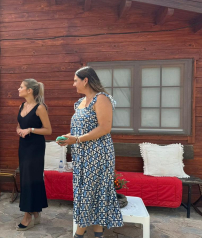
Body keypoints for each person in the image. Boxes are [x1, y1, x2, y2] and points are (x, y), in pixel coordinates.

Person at [57, 66, 123, 238]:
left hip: (98, 153)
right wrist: (68, 137)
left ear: (85, 80)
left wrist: (77, 140)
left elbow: (104, 128)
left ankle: (79, 232)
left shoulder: (101, 99)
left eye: (75, 80)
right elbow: (80, 130)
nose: (73, 84)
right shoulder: (80, 103)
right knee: (85, 191)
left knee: (92, 191)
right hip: (81, 154)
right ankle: (98, 233)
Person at [16, 78, 52, 231]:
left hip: (35, 148)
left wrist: (30, 130)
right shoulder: (22, 105)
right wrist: (19, 130)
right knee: (26, 177)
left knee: (31, 179)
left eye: (21, 86)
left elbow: (48, 130)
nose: (18, 89)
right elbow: (19, 125)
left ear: (29, 90)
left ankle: (28, 215)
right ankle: (36, 212)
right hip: (23, 146)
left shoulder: (40, 108)